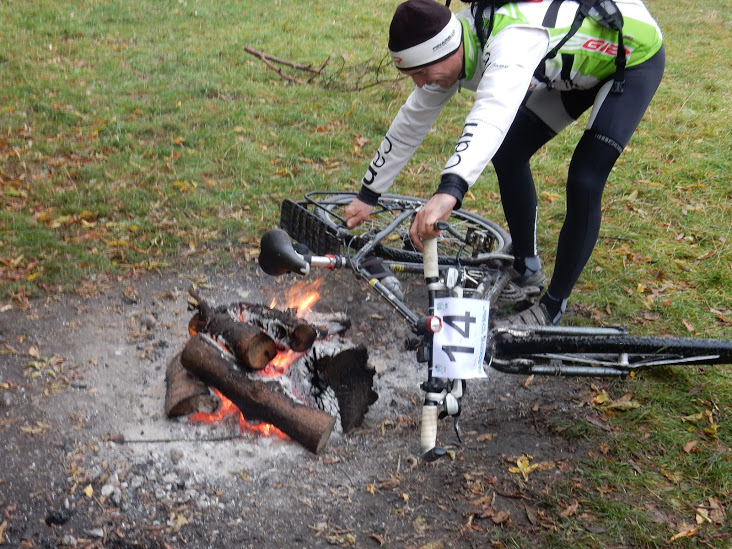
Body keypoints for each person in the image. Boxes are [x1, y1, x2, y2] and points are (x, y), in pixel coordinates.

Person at [343, 0, 664, 325]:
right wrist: (369, 194)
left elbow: (491, 116)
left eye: (422, 73)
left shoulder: (513, 40)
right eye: (412, 75)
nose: (420, 83)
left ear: (448, 50)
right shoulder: (450, 43)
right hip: (570, 67)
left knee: (585, 178)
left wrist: (449, 191)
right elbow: (411, 121)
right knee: (509, 152)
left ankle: (552, 307)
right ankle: (527, 268)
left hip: (630, 58)